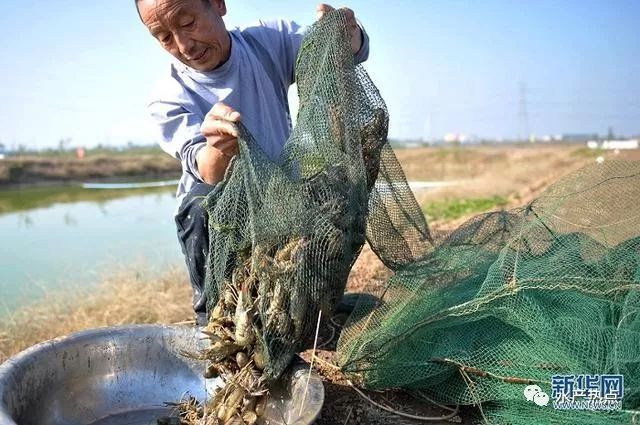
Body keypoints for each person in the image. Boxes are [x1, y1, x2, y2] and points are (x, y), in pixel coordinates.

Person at [136, 0, 370, 324]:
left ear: (218, 5)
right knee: (202, 209)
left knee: (295, 307)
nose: (183, 45)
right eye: (164, 37)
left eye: (187, 22)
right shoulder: (167, 97)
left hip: (282, 200)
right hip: (217, 220)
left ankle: (308, 318)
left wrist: (347, 35)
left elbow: (342, 51)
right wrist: (218, 149)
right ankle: (214, 325)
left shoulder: (267, 41)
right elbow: (205, 168)